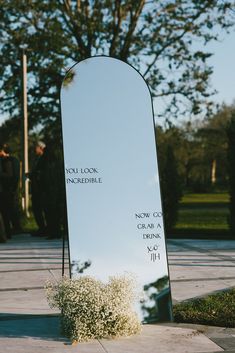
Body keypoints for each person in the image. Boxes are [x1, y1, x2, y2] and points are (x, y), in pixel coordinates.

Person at [0, 143, 21, 237]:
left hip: (7, 190)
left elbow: (9, 175)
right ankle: (13, 229)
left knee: (5, 212)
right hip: (11, 189)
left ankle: (8, 232)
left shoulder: (7, 161)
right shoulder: (14, 159)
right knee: (9, 210)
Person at [28, 141, 47, 236]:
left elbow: (42, 173)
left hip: (41, 189)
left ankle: (44, 229)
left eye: (35, 147)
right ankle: (41, 228)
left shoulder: (43, 159)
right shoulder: (36, 159)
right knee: (36, 209)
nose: (34, 149)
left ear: (41, 148)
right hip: (36, 187)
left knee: (40, 208)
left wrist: (33, 175)